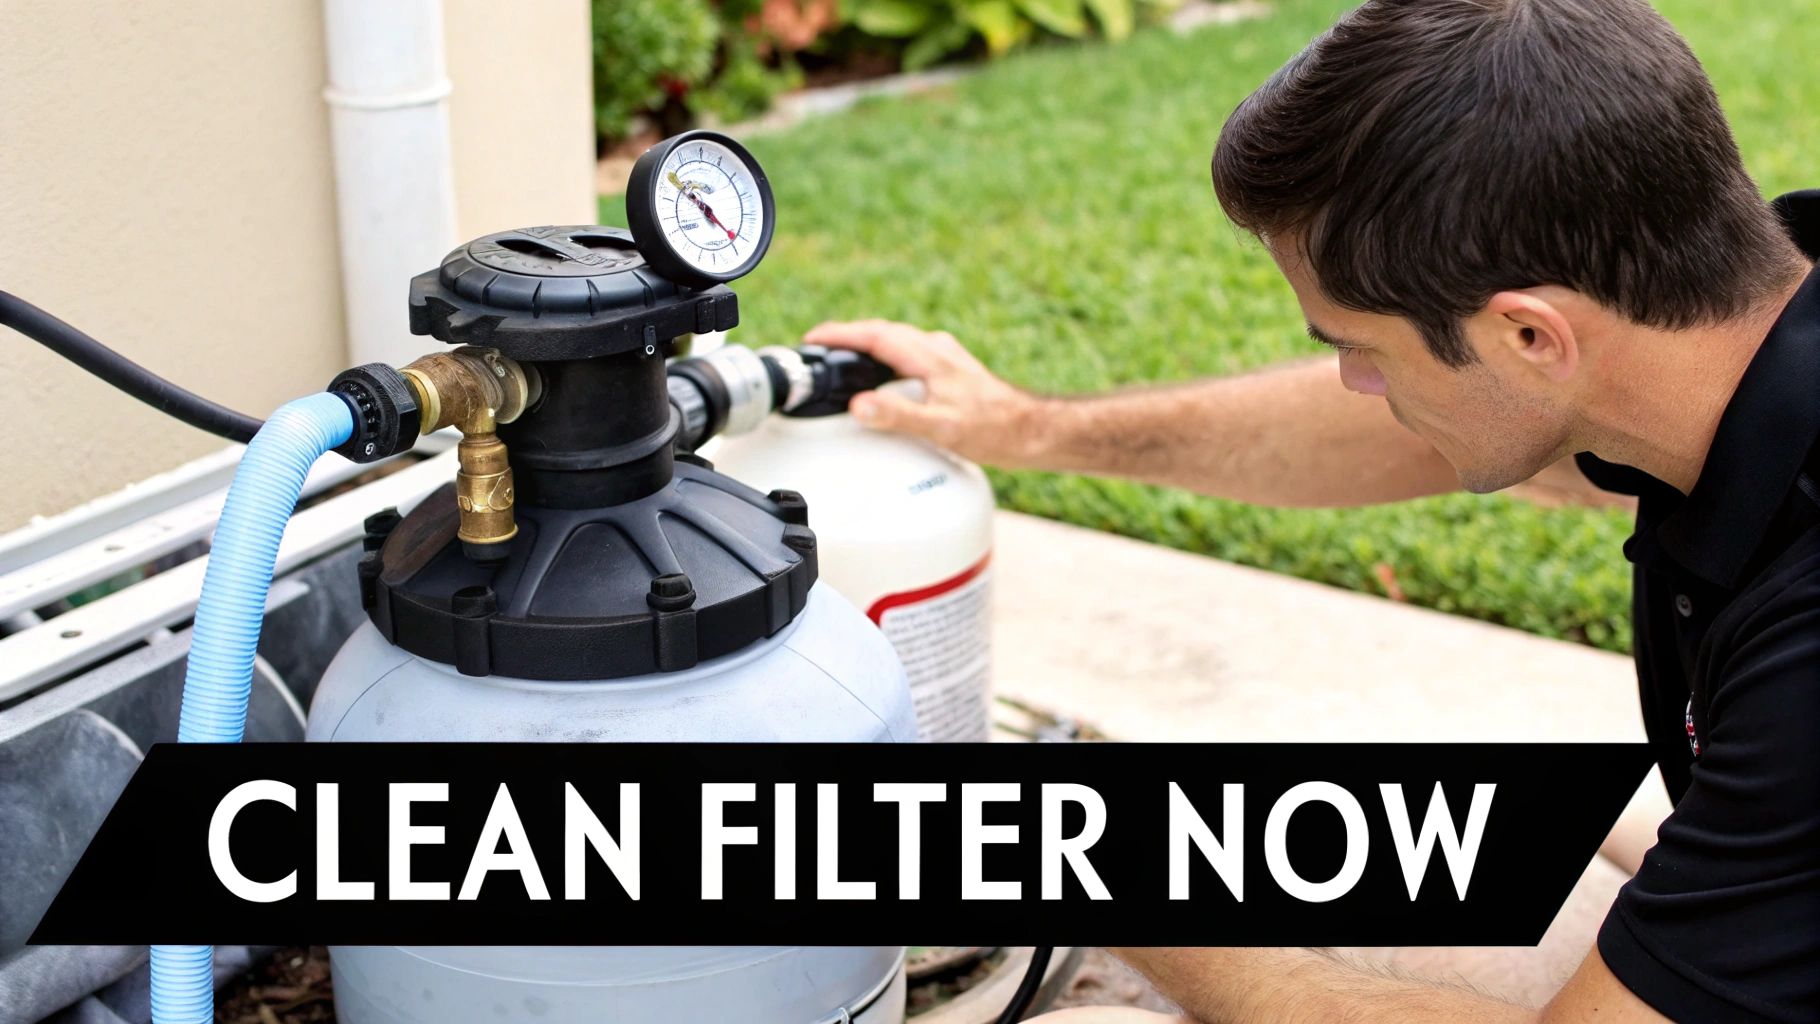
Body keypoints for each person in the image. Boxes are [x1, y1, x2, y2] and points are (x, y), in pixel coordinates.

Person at [805, 0, 1820, 1020]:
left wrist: (1100, 873)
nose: (1351, 382)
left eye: (1360, 348)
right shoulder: (1725, 338)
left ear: (1528, 336)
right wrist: (1026, 429)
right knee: (1463, 837)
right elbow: (1407, 423)